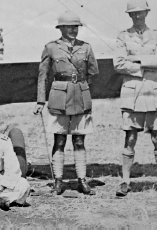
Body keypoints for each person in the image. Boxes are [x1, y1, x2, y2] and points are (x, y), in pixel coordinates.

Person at [113, 0, 157, 197]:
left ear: (147, 13)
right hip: (132, 93)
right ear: (130, 15)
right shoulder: (122, 36)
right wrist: (146, 65)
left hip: (153, 90)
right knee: (130, 137)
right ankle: (125, 182)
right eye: (133, 13)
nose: (137, 16)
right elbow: (118, 64)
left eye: (140, 13)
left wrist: (136, 59)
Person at [35, 11, 98, 195]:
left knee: (79, 140)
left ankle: (82, 180)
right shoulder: (51, 48)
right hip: (59, 97)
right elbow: (43, 76)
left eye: (76, 27)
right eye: (69, 27)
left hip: (80, 97)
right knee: (59, 140)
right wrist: (41, 100)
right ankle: (58, 181)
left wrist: (82, 88)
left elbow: (93, 73)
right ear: (60, 28)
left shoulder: (86, 48)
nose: (73, 30)